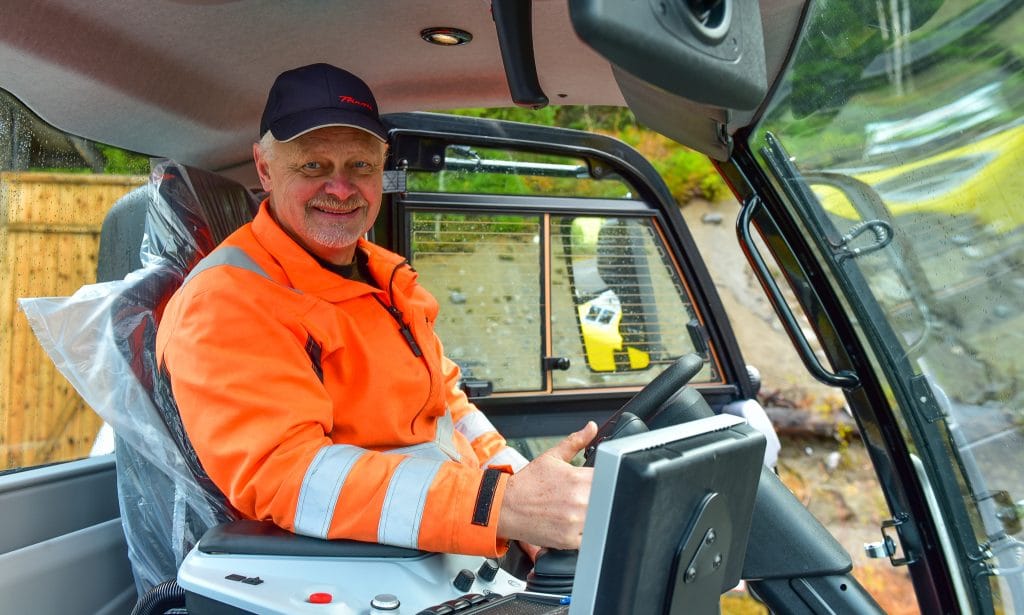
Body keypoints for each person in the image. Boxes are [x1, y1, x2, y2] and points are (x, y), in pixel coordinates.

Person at [156, 63, 597, 559]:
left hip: (442, 549)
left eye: (361, 167)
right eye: (313, 166)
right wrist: (500, 506)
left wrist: (523, 493)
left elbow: (448, 408)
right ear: (265, 168)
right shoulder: (227, 300)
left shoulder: (385, 277)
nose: (341, 190)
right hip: (347, 574)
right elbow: (288, 475)